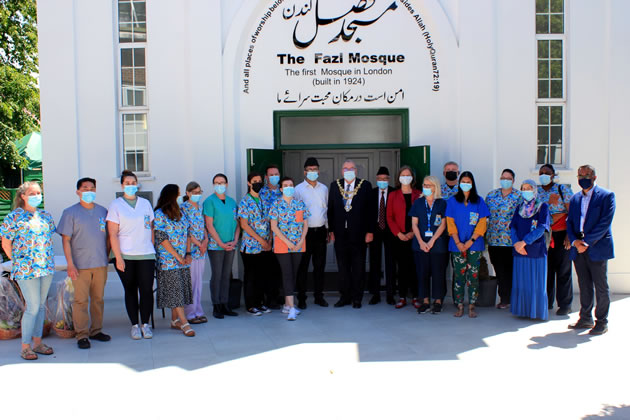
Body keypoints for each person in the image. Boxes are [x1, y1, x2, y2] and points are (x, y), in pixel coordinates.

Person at [1, 182, 55, 360]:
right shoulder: (13, 217)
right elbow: (6, 243)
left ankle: (38, 343)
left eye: (39, 192)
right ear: (23, 196)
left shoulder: (45, 216)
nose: (36, 196)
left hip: (45, 267)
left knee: (40, 307)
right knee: (32, 307)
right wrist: (18, 262)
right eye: (32, 193)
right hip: (26, 270)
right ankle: (25, 347)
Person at [57, 177, 111, 349]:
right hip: (80, 265)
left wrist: (107, 255)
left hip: (100, 262)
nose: (89, 191)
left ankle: (96, 330)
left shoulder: (103, 211)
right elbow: (66, 240)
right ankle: (82, 334)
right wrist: (70, 264)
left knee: (98, 299)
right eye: (85, 188)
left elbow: (109, 237)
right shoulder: (70, 212)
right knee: (80, 300)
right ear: (78, 192)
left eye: (92, 188)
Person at [107, 170, 156, 340]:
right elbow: (112, 234)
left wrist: (152, 248)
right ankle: (135, 325)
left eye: (133, 183)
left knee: (147, 291)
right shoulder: (116, 205)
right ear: (122, 186)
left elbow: (151, 228)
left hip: (146, 254)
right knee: (130, 290)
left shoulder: (145, 204)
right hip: (125, 256)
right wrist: (118, 257)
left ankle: (146, 325)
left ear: (137, 184)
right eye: (127, 183)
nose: (130, 186)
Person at [567, 165, 616, 335]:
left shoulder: (607, 196)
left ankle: (602, 321)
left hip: (596, 247)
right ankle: (585, 318)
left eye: (586, 175)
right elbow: (570, 223)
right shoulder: (575, 199)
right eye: (580, 175)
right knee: (584, 284)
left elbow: (604, 223)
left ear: (594, 177)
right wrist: (575, 242)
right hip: (579, 249)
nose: (583, 178)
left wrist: (585, 242)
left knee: (600, 286)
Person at [328, 160, 373, 308]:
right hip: (340, 234)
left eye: (351, 168)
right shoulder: (335, 185)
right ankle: (344, 297)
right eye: (345, 168)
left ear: (356, 171)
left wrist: (370, 231)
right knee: (343, 267)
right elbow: (331, 209)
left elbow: (370, 211)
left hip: (359, 234)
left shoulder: (365, 185)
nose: (348, 170)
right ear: (341, 171)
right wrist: (331, 230)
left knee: (358, 266)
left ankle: (357, 298)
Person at [153, 184, 195, 337]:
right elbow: (161, 238)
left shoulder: (181, 213)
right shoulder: (159, 214)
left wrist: (188, 253)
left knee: (180, 289)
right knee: (175, 290)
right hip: (168, 260)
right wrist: (177, 257)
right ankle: (184, 323)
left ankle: (174, 320)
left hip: (183, 258)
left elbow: (188, 233)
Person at [446, 171, 489, 318]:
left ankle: (471, 305)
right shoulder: (452, 201)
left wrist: (470, 241)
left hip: (475, 245)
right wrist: (458, 242)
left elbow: (482, 223)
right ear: (459, 183)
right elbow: (450, 223)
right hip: (456, 245)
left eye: (468, 181)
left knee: (473, 276)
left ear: (472, 183)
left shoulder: (479, 201)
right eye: (463, 181)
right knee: (459, 276)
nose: (465, 184)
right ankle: (459, 305)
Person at [270, 177, 310, 321]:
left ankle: (287, 305)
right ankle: (292, 308)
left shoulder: (300, 204)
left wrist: (300, 241)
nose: (288, 187)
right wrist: (287, 241)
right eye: (285, 185)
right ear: (281, 189)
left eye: (291, 185)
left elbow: (305, 224)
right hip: (282, 245)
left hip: (298, 245)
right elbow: (274, 227)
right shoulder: (276, 205)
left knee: (293, 274)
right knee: (287, 273)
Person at [510, 180, 550, 321]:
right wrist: (516, 243)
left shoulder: (542, 207)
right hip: (519, 251)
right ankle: (522, 311)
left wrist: (524, 242)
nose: (526, 190)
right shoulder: (519, 207)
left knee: (536, 283)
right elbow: (513, 227)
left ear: (534, 190)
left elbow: (541, 228)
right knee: (522, 282)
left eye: (529, 188)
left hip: (535, 250)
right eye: (523, 188)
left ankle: (536, 312)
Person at [537, 163, 573, 315]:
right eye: (541, 172)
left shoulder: (562, 189)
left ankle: (565, 304)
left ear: (553, 175)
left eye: (547, 172)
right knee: (547, 269)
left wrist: (569, 235)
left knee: (563, 269)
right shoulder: (536, 191)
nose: (544, 174)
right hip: (544, 234)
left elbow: (572, 212)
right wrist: (546, 203)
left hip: (561, 233)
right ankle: (547, 301)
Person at [410, 176, 448, 314]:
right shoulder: (418, 203)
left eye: (429, 185)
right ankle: (425, 301)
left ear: (435, 187)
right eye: (424, 185)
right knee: (422, 273)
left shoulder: (442, 203)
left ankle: (438, 301)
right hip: (420, 245)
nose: (426, 188)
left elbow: (443, 224)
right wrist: (421, 241)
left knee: (438, 273)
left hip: (437, 245)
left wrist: (432, 241)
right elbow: (414, 223)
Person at [203, 173, 240, 318]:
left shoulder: (232, 202)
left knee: (226, 275)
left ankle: (225, 304)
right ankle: (216, 305)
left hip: (231, 244)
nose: (220, 185)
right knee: (217, 275)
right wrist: (221, 243)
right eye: (217, 183)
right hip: (216, 246)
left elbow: (238, 224)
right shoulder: (209, 202)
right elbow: (209, 225)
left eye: (222, 182)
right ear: (213, 185)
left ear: (227, 184)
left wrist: (235, 240)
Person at [294, 157, 329, 309]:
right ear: (304, 172)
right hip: (304, 233)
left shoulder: (324, 188)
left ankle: (319, 296)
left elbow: (326, 209)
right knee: (303, 266)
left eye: (315, 169)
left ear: (318, 170)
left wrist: (328, 229)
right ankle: (302, 298)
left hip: (320, 231)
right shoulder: (298, 190)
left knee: (319, 266)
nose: (312, 172)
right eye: (310, 170)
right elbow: (295, 212)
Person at [486, 169, 522, 309]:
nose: (505, 180)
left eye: (508, 178)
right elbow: (484, 216)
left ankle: (514, 298)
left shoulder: (519, 196)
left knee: (512, 271)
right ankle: (504, 298)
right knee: (499, 270)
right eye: (503, 177)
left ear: (513, 181)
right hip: (494, 240)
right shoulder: (491, 195)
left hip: (512, 241)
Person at [387, 166, 421, 309]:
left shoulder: (418, 194)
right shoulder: (393, 195)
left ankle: (415, 296)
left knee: (415, 267)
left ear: (412, 178)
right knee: (401, 268)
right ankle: (401, 297)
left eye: (408, 175)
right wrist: (399, 233)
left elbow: (422, 215)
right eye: (403, 175)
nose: (405, 177)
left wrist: (413, 232)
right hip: (399, 238)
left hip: (415, 236)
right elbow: (389, 217)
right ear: (399, 177)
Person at [239, 172, 273, 316]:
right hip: (251, 246)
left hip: (265, 245)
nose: (258, 183)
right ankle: (250, 305)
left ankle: (260, 303)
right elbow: (244, 225)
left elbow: (270, 221)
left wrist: (269, 240)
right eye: (255, 181)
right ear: (249, 183)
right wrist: (261, 240)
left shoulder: (264, 200)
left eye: (260, 181)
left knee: (262, 275)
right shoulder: (245, 201)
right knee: (251, 276)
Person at [180, 181, 209, 324]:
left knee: (199, 282)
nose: (197, 195)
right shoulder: (183, 208)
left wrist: (206, 240)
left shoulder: (200, 207)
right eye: (194, 193)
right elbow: (186, 231)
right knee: (190, 282)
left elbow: (203, 226)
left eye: (199, 192)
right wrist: (199, 244)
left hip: (201, 250)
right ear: (188, 193)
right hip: (190, 249)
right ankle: (190, 313)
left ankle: (198, 310)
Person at [367, 166, 396, 305]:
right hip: (375, 230)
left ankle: (390, 293)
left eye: (385, 179)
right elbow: (367, 214)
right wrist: (369, 231)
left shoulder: (394, 192)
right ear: (376, 179)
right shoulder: (371, 193)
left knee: (390, 262)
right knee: (375, 262)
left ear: (388, 179)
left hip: (391, 231)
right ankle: (375, 293)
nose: (382, 181)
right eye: (380, 179)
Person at [259, 164, 283, 309]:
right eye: (271, 175)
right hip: (266, 237)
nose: (274, 177)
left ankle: (277, 295)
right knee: (266, 269)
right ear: (266, 177)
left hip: (282, 237)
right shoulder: (261, 193)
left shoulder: (283, 191)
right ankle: (267, 298)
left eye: (276, 174)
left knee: (279, 269)